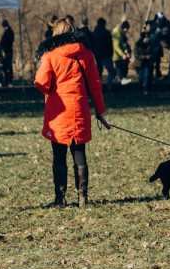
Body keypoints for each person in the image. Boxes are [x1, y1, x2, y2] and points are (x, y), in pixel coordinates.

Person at [34, 16, 109, 207]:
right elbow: (95, 85)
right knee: (79, 152)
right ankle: (82, 197)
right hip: (79, 109)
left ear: (56, 32)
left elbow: (41, 82)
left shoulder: (50, 55)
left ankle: (60, 198)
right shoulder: (86, 54)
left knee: (58, 155)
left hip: (57, 111)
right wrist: (100, 111)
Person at [92, 18, 114, 92]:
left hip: (98, 55)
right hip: (106, 55)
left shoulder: (94, 33)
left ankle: (97, 88)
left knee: (99, 72)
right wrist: (111, 53)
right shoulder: (106, 33)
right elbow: (110, 44)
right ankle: (110, 86)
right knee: (110, 71)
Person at [112, 20, 132, 85]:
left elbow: (122, 44)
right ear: (125, 28)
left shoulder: (120, 33)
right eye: (127, 29)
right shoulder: (117, 33)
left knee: (116, 68)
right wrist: (122, 54)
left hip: (117, 54)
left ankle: (113, 79)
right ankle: (122, 79)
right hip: (115, 54)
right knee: (118, 66)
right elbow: (116, 46)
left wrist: (126, 52)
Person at [0, 19, 14, 86]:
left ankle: (8, 80)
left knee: (7, 66)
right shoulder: (9, 31)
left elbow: (6, 43)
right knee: (6, 66)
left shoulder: (8, 32)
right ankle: (7, 80)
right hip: (7, 51)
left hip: (7, 51)